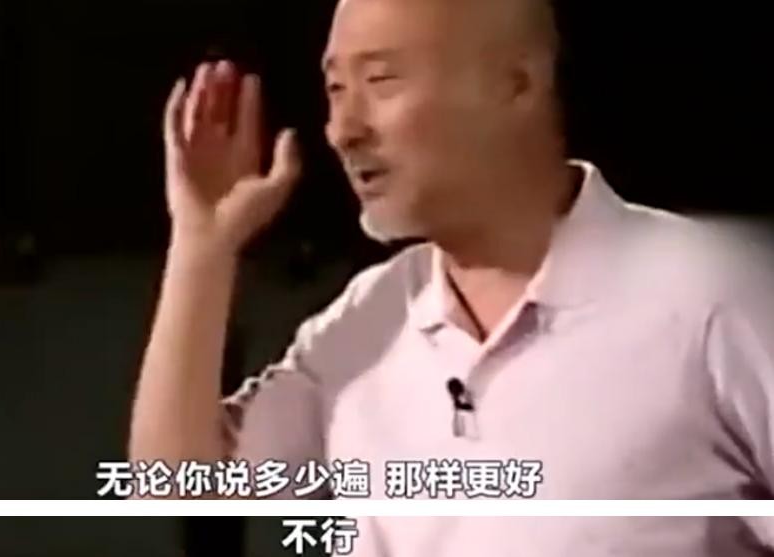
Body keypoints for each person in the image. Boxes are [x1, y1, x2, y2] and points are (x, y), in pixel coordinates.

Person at [128, 0, 774, 553]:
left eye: (380, 80)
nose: (343, 130)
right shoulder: (364, 321)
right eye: (335, 90)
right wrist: (201, 245)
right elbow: (177, 486)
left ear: (516, 83)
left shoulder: (713, 295)